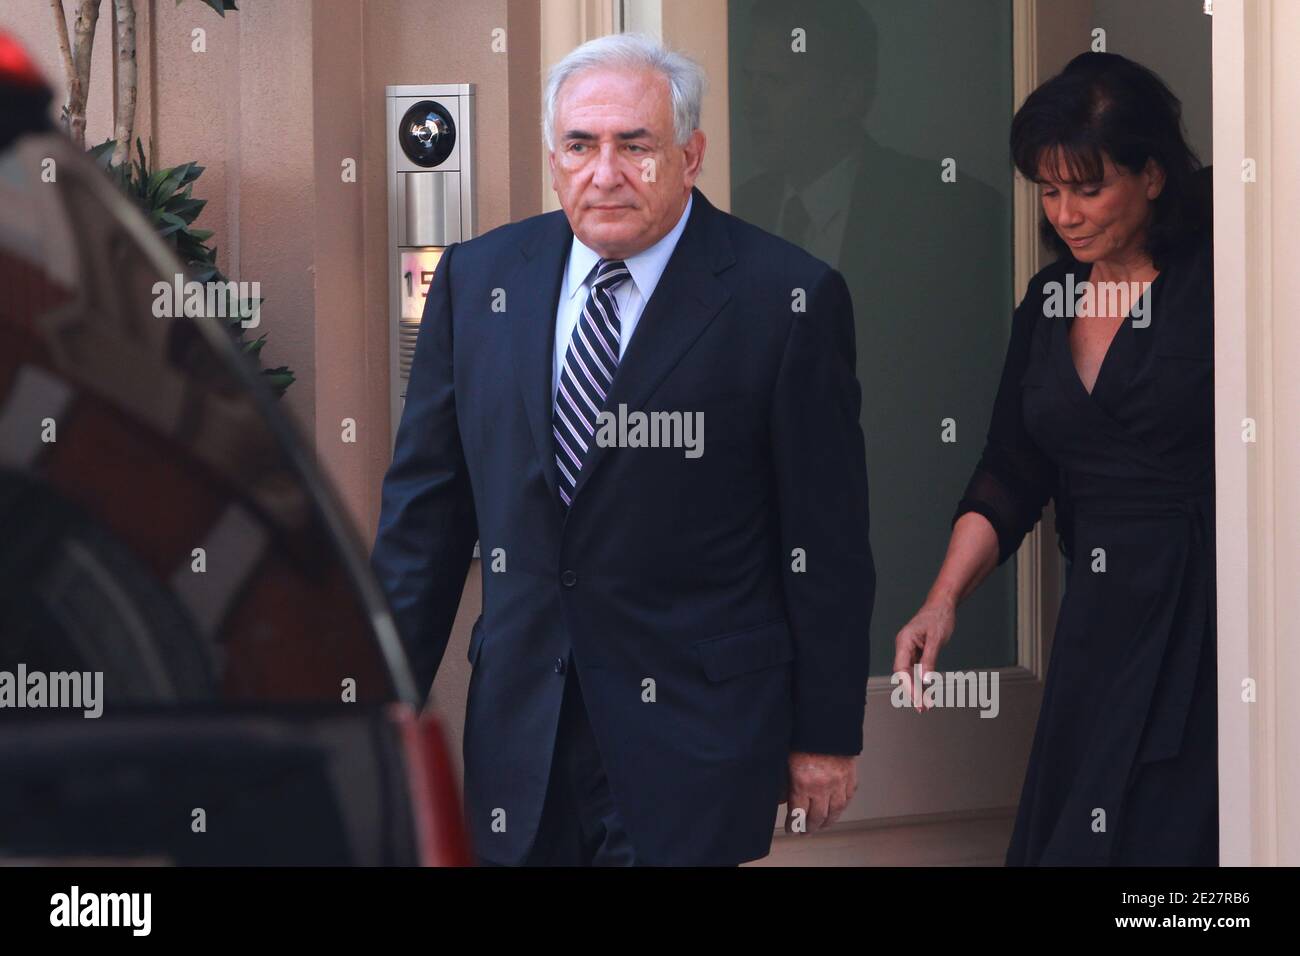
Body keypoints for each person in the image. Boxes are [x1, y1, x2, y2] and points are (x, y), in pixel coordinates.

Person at [371, 33, 875, 866]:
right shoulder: (477, 281)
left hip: (692, 740)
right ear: (553, 156)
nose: (604, 172)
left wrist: (825, 732)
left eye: (634, 146)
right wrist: (378, 708)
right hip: (521, 734)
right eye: (580, 145)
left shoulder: (785, 299)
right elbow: (423, 523)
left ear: (691, 153)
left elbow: (824, 543)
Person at [894, 51, 1217, 866]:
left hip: (1209, 620)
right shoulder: (1049, 302)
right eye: (1048, 189)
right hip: (1099, 623)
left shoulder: (1227, 285)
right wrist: (941, 600)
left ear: (1152, 175)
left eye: (1087, 186)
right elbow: (1012, 468)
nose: (1065, 213)